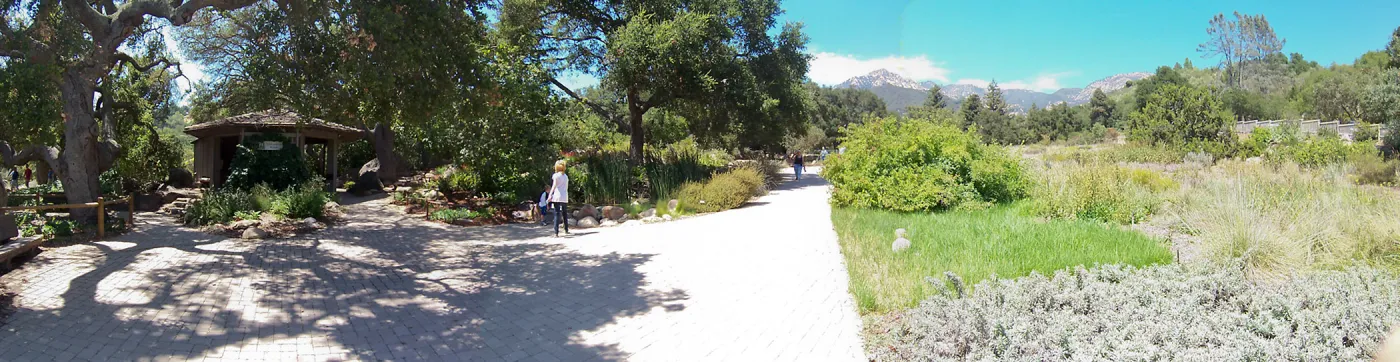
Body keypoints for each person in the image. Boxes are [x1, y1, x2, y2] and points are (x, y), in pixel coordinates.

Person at [546, 160, 570, 237]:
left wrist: (550, 195)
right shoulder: (566, 176)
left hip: (557, 196)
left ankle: (556, 232)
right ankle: (566, 229)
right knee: (564, 213)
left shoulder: (556, 175)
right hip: (564, 196)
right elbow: (566, 187)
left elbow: (554, 186)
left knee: (556, 214)